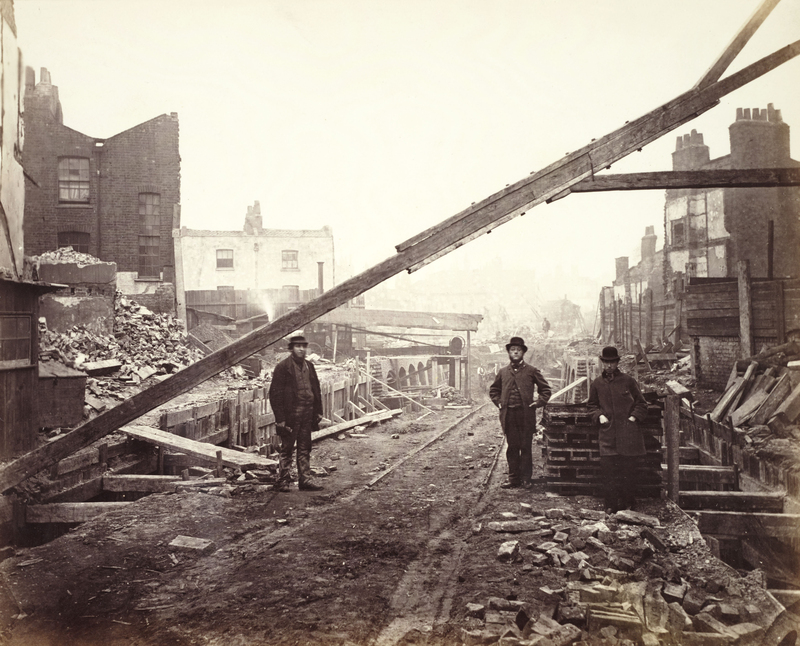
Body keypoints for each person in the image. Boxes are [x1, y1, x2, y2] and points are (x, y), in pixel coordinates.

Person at [587, 346, 649, 513]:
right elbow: (591, 405)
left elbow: (642, 403)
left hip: (628, 435)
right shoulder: (597, 384)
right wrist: (599, 415)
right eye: (606, 362)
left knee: (628, 472)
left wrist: (633, 418)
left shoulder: (628, 381)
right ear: (602, 363)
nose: (609, 366)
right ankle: (610, 506)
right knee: (609, 473)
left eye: (612, 362)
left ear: (617, 363)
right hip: (608, 436)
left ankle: (628, 505)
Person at [489, 336, 552, 489]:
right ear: (509, 353)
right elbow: (494, 390)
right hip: (509, 415)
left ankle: (526, 479)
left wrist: (538, 403)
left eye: (518, 350)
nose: (515, 352)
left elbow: (545, 390)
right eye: (512, 350)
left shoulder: (532, 371)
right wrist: (499, 402)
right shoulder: (503, 372)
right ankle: (513, 479)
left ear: (523, 352)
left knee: (525, 447)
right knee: (512, 448)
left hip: (525, 416)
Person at [268, 335, 325, 492]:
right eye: (297, 346)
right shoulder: (283, 367)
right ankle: (283, 481)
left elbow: (316, 389)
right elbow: (275, 394)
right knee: (287, 448)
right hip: (291, 415)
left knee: (305, 447)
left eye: (303, 346)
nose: (301, 349)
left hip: (308, 413)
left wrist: (318, 411)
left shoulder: (309, 366)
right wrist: (280, 419)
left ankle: (305, 480)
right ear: (291, 348)